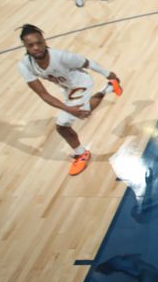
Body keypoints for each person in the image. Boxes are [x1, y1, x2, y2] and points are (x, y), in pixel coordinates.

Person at [17, 24, 122, 175]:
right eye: (31, 45)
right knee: (81, 112)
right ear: (25, 46)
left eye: (39, 43)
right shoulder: (24, 66)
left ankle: (81, 154)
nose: (36, 47)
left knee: (62, 125)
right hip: (67, 88)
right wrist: (68, 108)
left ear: (44, 41)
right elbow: (43, 94)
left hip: (81, 83)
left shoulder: (61, 56)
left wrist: (108, 73)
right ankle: (109, 88)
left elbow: (88, 63)